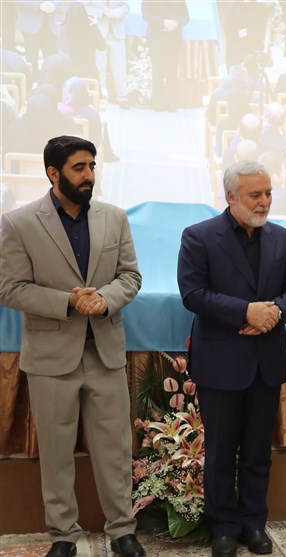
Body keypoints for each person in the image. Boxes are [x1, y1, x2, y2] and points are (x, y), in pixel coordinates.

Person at [0, 136, 144, 557]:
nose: (89, 175)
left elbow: (130, 277)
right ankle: (64, 536)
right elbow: (11, 289)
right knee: (56, 453)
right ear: (53, 173)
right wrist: (68, 301)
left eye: (92, 166)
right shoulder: (19, 223)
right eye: (79, 167)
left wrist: (104, 299)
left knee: (115, 451)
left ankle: (123, 531)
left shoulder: (115, 217)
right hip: (50, 358)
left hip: (105, 353)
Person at [177, 160, 286, 557]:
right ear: (231, 196)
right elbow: (193, 294)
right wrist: (246, 312)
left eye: (268, 193)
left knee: (257, 451)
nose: (265, 201)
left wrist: (275, 313)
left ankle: (253, 524)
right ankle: (223, 527)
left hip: (265, 360)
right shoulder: (199, 236)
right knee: (220, 452)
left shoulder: (281, 237)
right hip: (220, 362)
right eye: (256, 194)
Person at [142, 0, 189, 111]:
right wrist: (163, 22)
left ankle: (172, 101)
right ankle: (157, 102)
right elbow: (146, 14)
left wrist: (176, 23)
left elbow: (186, 16)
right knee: (157, 72)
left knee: (172, 72)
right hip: (156, 37)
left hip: (174, 39)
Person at [85, 1, 130, 108]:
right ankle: (100, 96)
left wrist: (115, 13)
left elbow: (126, 7)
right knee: (99, 67)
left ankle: (123, 97)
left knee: (120, 67)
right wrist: (101, 13)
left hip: (117, 32)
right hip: (99, 32)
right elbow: (85, 7)